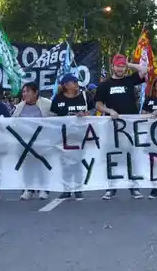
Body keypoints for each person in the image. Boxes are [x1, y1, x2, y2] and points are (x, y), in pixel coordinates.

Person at [95, 54, 148, 200]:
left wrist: (129, 63)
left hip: (130, 126)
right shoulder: (104, 85)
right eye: (118, 65)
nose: (120, 68)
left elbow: (145, 69)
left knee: (132, 156)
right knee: (112, 156)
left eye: (122, 66)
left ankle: (134, 186)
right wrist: (109, 111)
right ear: (113, 66)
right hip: (112, 126)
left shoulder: (130, 80)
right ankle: (111, 187)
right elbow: (98, 104)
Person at [51, 73, 92, 201]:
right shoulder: (58, 98)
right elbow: (52, 116)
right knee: (65, 163)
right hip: (64, 135)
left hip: (80, 135)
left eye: (74, 82)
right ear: (65, 85)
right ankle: (67, 189)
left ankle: (78, 189)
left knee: (78, 162)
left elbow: (93, 111)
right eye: (69, 83)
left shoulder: (85, 96)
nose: (73, 85)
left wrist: (85, 114)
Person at [12, 82, 54, 201]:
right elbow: (12, 122)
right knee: (27, 166)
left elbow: (57, 119)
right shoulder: (19, 106)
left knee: (42, 165)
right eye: (24, 91)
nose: (25, 94)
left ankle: (44, 189)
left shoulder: (47, 104)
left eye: (28, 91)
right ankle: (28, 189)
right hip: (25, 142)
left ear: (36, 93)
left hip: (42, 141)